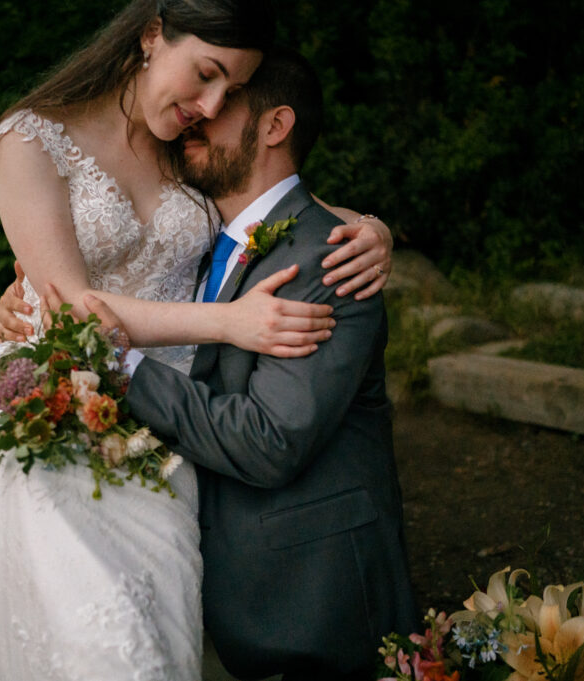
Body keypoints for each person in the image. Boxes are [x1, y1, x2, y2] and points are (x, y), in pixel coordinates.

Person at [0, 2, 393, 680]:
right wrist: (226, 322)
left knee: (150, 617)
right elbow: (69, 317)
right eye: (205, 75)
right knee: (104, 634)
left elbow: (275, 196)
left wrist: (374, 230)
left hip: (170, 424)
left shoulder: (190, 152)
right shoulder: (29, 140)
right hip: (61, 398)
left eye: (229, 92)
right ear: (153, 35)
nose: (208, 106)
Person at [74, 47, 418, 680]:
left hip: (313, 602)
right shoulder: (210, 247)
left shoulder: (329, 261)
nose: (194, 116)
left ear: (274, 126)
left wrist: (122, 367)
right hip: (221, 579)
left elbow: (268, 439)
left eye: (222, 103)